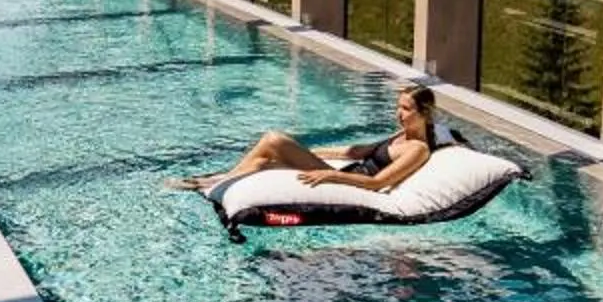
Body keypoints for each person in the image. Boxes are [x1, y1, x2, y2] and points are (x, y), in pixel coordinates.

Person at [171, 83, 465, 194]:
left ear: (424, 113)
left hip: (348, 184)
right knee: (266, 161)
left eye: (406, 109)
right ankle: (214, 181)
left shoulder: (417, 149)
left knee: (273, 140)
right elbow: (356, 152)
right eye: (397, 106)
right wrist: (314, 151)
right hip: (344, 171)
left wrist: (329, 175)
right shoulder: (401, 135)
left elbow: (377, 183)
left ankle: (213, 182)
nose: (398, 113)